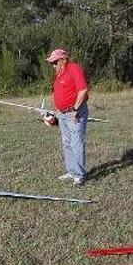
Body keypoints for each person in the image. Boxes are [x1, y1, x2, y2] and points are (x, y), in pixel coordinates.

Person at [45, 48, 90, 187]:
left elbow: (83, 90)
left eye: (55, 62)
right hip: (62, 114)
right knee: (67, 143)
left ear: (63, 60)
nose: (53, 65)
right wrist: (56, 112)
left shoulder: (74, 69)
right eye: (51, 63)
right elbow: (59, 94)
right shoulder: (59, 74)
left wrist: (75, 109)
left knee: (76, 143)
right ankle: (71, 171)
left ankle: (79, 175)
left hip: (74, 113)